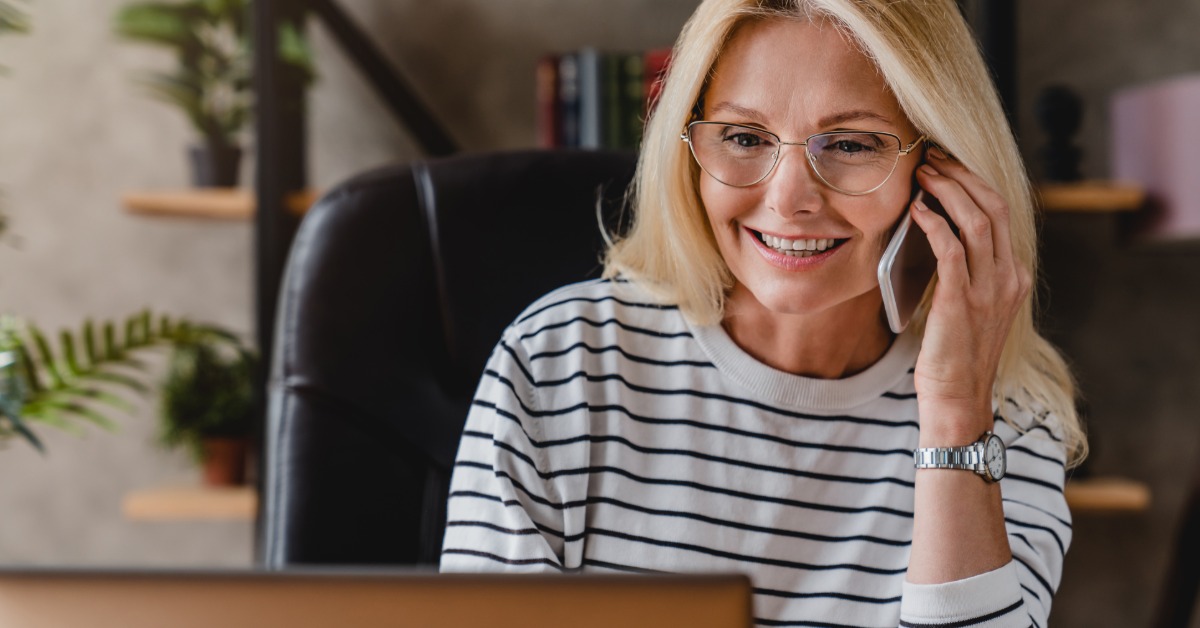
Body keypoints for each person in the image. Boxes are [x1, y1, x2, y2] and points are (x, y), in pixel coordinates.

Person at [441, 0, 1084, 626]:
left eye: (852, 144)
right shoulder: (558, 360)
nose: (788, 198)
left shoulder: (1007, 418)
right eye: (745, 136)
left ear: (941, 172)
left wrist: (952, 416)